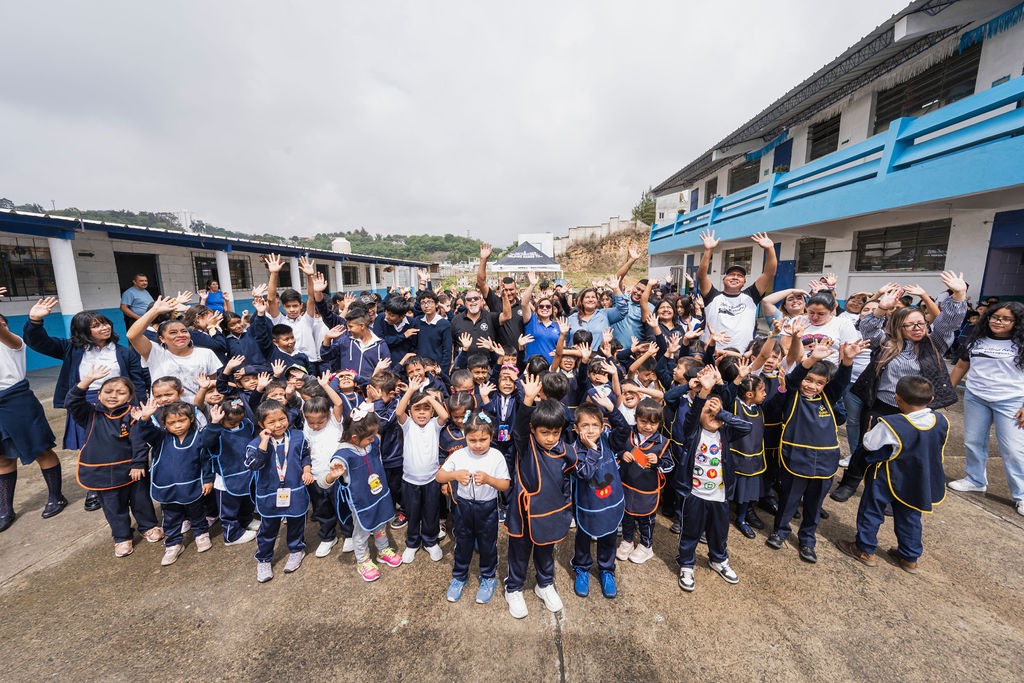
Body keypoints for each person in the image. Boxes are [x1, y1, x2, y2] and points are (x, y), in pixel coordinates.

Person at [831, 273, 968, 502]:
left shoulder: (935, 343)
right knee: (867, 447)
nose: (917, 328)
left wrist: (959, 296)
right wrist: (880, 309)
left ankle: (892, 493)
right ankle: (850, 482)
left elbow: (949, 323)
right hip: (882, 406)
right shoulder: (886, 343)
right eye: (909, 325)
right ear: (898, 326)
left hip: (915, 411)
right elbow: (867, 330)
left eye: (921, 323)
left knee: (905, 454)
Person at [23, 296, 146, 511]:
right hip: (86, 402)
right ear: (83, 331)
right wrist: (35, 321)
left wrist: (140, 405)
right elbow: (38, 342)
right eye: (96, 326)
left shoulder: (124, 352)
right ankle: (93, 487)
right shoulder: (71, 348)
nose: (104, 328)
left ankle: (125, 477)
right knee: (90, 445)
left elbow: (137, 380)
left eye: (105, 323)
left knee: (122, 442)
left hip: (118, 402)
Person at [764, 339, 870, 563]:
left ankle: (807, 540)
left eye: (818, 383)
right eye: (808, 380)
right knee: (788, 500)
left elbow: (840, 382)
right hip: (796, 459)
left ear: (825, 385)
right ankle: (780, 532)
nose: (811, 386)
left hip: (824, 462)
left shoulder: (827, 399)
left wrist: (848, 361)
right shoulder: (792, 397)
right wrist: (810, 360)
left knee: (814, 505)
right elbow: (792, 382)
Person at [504, 375, 599, 619]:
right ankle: (513, 588)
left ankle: (544, 584)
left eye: (555, 432)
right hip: (524, 514)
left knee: (546, 552)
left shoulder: (565, 450)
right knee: (519, 552)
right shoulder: (526, 446)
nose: (550, 438)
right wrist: (527, 400)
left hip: (551, 514)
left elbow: (585, 471)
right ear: (533, 430)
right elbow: (519, 427)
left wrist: (593, 451)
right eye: (544, 432)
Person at [835, 375, 949, 574]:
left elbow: (870, 444)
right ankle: (909, 556)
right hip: (920, 479)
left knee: (871, 511)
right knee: (911, 516)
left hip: (889, 476)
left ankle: (864, 549)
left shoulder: (891, 424)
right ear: (931, 400)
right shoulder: (940, 420)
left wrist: (871, 431)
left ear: (897, 398)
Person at [66, 365, 161, 556]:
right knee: (113, 507)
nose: (113, 396)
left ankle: (148, 526)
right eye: (108, 392)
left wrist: (138, 463)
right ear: (99, 395)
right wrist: (87, 380)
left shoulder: (132, 415)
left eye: (120, 392)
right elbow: (72, 401)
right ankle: (122, 537)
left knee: (141, 501)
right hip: (100, 472)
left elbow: (139, 441)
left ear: (129, 397)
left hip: (132, 470)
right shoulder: (90, 414)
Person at [673, 367, 752, 592]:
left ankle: (718, 559)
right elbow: (692, 414)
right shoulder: (692, 431)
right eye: (709, 411)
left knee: (719, 532)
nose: (713, 415)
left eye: (717, 411)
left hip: (719, 495)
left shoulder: (725, 433)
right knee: (690, 531)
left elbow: (746, 426)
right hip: (694, 494)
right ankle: (686, 563)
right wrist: (704, 394)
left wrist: (723, 413)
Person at [948, 302, 1024, 517]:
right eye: (994, 317)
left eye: (1005, 318)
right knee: (973, 441)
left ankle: (1021, 494)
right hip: (976, 397)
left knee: (1013, 449)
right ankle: (975, 479)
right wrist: (947, 392)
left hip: (1011, 401)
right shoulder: (976, 339)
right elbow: (962, 366)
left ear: (1016, 322)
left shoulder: (1021, 343)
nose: (998, 321)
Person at [0, 309, 67, 531]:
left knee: (40, 449)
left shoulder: (13, 343)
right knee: (3, 458)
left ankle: (56, 496)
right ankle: (5, 508)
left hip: (16, 401)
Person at [320, 406, 404, 582]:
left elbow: (375, 441)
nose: (373, 439)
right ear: (354, 438)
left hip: (379, 496)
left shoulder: (371, 444)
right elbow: (322, 481)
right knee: (362, 532)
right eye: (370, 437)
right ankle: (363, 560)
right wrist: (331, 476)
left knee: (381, 526)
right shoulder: (342, 455)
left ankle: (383, 550)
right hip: (361, 502)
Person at [437, 411, 511, 603]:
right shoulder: (459, 455)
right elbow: (439, 476)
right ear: (464, 435)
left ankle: (488, 578)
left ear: (491, 436)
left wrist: (489, 480)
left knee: (487, 545)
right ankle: (459, 576)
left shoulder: (496, 456)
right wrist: (454, 476)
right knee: (462, 543)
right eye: (472, 440)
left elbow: (505, 485)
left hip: (487, 508)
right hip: (463, 507)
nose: (478, 445)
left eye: (483, 439)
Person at [135, 398, 214, 566]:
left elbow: (206, 460)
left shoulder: (199, 438)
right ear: (164, 423)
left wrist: (208, 480)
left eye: (181, 420)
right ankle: (173, 543)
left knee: (197, 512)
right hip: (167, 487)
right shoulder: (160, 437)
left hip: (193, 485)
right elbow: (146, 433)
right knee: (170, 517)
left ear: (191, 419)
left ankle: (201, 534)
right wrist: (145, 419)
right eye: (172, 422)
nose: (177, 425)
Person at [245, 399, 312, 583]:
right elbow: (253, 465)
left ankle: (296, 549)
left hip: (295, 489)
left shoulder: (298, 436)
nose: (278, 425)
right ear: (261, 425)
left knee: (296, 521)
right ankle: (264, 558)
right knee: (268, 527)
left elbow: (305, 454)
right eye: (271, 422)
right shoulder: (255, 443)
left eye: (282, 419)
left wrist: (306, 469)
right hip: (269, 493)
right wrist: (264, 442)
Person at [570, 402, 627, 600]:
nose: (591, 429)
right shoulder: (574, 451)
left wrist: (611, 409)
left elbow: (624, 429)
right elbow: (585, 474)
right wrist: (592, 450)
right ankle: (582, 568)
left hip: (610, 503)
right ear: (576, 428)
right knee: (583, 536)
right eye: (585, 425)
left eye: (595, 425)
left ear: (602, 426)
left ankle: (606, 569)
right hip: (588, 505)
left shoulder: (608, 439)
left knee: (609, 536)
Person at [127, 294, 223, 403]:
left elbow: (211, 383)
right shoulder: (155, 352)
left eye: (184, 331)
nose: (180, 335)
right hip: (165, 413)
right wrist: (154, 311)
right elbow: (132, 335)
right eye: (173, 332)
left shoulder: (206, 353)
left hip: (199, 412)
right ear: (162, 338)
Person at [696, 229, 778, 352]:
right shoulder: (712, 296)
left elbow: (769, 273)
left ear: (744, 282)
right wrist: (708, 251)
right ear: (724, 279)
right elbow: (702, 276)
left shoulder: (751, 296)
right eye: (731, 274)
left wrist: (770, 249)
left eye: (740, 276)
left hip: (741, 356)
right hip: (712, 352)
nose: (735, 277)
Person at [396, 380, 449, 564]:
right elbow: (398, 412)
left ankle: (430, 541)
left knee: (431, 513)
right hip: (410, 481)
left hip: (431, 480)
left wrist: (429, 398)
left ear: (431, 412)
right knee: (413, 513)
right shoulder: (408, 425)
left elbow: (444, 414)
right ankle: (412, 543)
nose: (421, 412)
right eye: (417, 409)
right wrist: (411, 391)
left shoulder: (435, 424)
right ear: (411, 412)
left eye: (425, 409)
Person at [203, 400, 259, 546]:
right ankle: (231, 535)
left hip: (246, 473)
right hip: (225, 477)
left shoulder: (246, 424)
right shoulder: (216, 432)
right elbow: (206, 442)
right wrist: (214, 423)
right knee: (229, 508)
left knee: (246, 500)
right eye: (232, 423)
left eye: (239, 420)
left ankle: (246, 520)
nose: (237, 424)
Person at [567, 280, 629, 349]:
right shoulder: (571, 319)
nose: (590, 300)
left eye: (593, 297)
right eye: (587, 297)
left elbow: (623, 310)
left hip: (599, 358)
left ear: (597, 301)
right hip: (575, 358)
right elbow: (565, 341)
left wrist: (616, 289)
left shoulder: (605, 314)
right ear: (581, 301)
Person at [520, 272, 561, 362]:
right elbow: (524, 304)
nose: (545, 308)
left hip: (551, 368)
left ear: (552, 309)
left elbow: (562, 347)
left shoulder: (558, 325)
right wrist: (532, 285)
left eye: (548, 306)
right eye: (541, 306)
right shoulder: (531, 321)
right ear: (537, 308)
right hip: (532, 366)